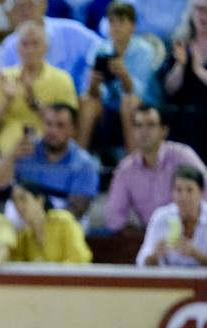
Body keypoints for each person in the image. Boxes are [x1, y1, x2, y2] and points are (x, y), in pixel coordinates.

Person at [0, 21, 78, 157]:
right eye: (24, 44)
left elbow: (69, 127)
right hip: (9, 150)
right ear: (18, 48)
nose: (29, 50)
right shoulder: (3, 78)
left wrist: (33, 101)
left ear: (46, 48)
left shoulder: (62, 79)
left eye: (35, 44)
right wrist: (7, 100)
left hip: (50, 149)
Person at [0, 103, 98, 219]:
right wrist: (11, 156)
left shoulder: (84, 164)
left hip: (63, 220)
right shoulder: (27, 150)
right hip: (25, 213)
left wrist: (42, 224)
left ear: (73, 130)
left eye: (60, 126)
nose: (53, 130)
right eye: (48, 124)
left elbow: (77, 209)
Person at [105, 105, 207, 232]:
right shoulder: (126, 170)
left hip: (192, 232)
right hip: (151, 237)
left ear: (163, 130)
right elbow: (114, 216)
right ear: (133, 131)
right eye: (138, 125)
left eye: (151, 125)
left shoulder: (183, 156)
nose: (144, 131)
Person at [78, 1, 159, 160]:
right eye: (112, 22)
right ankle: (79, 161)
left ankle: (134, 162)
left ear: (133, 25)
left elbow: (137, 92)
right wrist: (94, 84)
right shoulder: (99, 50)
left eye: (121, 22)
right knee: (87, 101)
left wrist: (123, 75)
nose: (116, 27)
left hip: (141, 105)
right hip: (108, 106)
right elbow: (92, 93)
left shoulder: (145, 51)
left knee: (128, 103)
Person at [0, 0, 98, 91]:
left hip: (73, 101)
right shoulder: (9, 45)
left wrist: (91, 74)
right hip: (29, 102)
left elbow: (103, 47)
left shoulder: (71, 30)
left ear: (43, 4)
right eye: (20, 6)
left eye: (30, 4)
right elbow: (6, 82)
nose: (25, 11)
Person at [158, 1, 207, 161]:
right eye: (199, 10)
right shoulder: (181, 43)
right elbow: (170, 88)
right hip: (182, 114)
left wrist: (198, 70)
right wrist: (180, 65)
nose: (203, 16)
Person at [137, 165, 207, 267]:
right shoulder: (161, 217)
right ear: (172, 192)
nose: (183, 196)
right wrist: (154, 256)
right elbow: (141, 260)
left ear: (201, 193)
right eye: (178, 190)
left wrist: (197, 255)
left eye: (189, 190)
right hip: (168, 281)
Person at [9, 179, 91, 263]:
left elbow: (80, 258)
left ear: (39, 200)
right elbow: (17, 265)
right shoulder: (23, 236)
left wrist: (49, 269)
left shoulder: (63, 221)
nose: (19, 206)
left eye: (23, 199)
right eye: (15, 201)